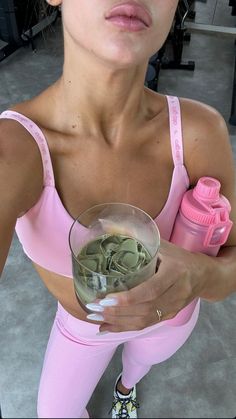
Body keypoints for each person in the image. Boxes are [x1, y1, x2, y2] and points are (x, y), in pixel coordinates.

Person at [0, 0, 236, 418]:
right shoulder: (14, 151)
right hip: (83, 330)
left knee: (142, 362)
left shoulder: (202, 133)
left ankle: (126, 386)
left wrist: (203, 274)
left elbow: (230, 267)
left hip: (170, 320)